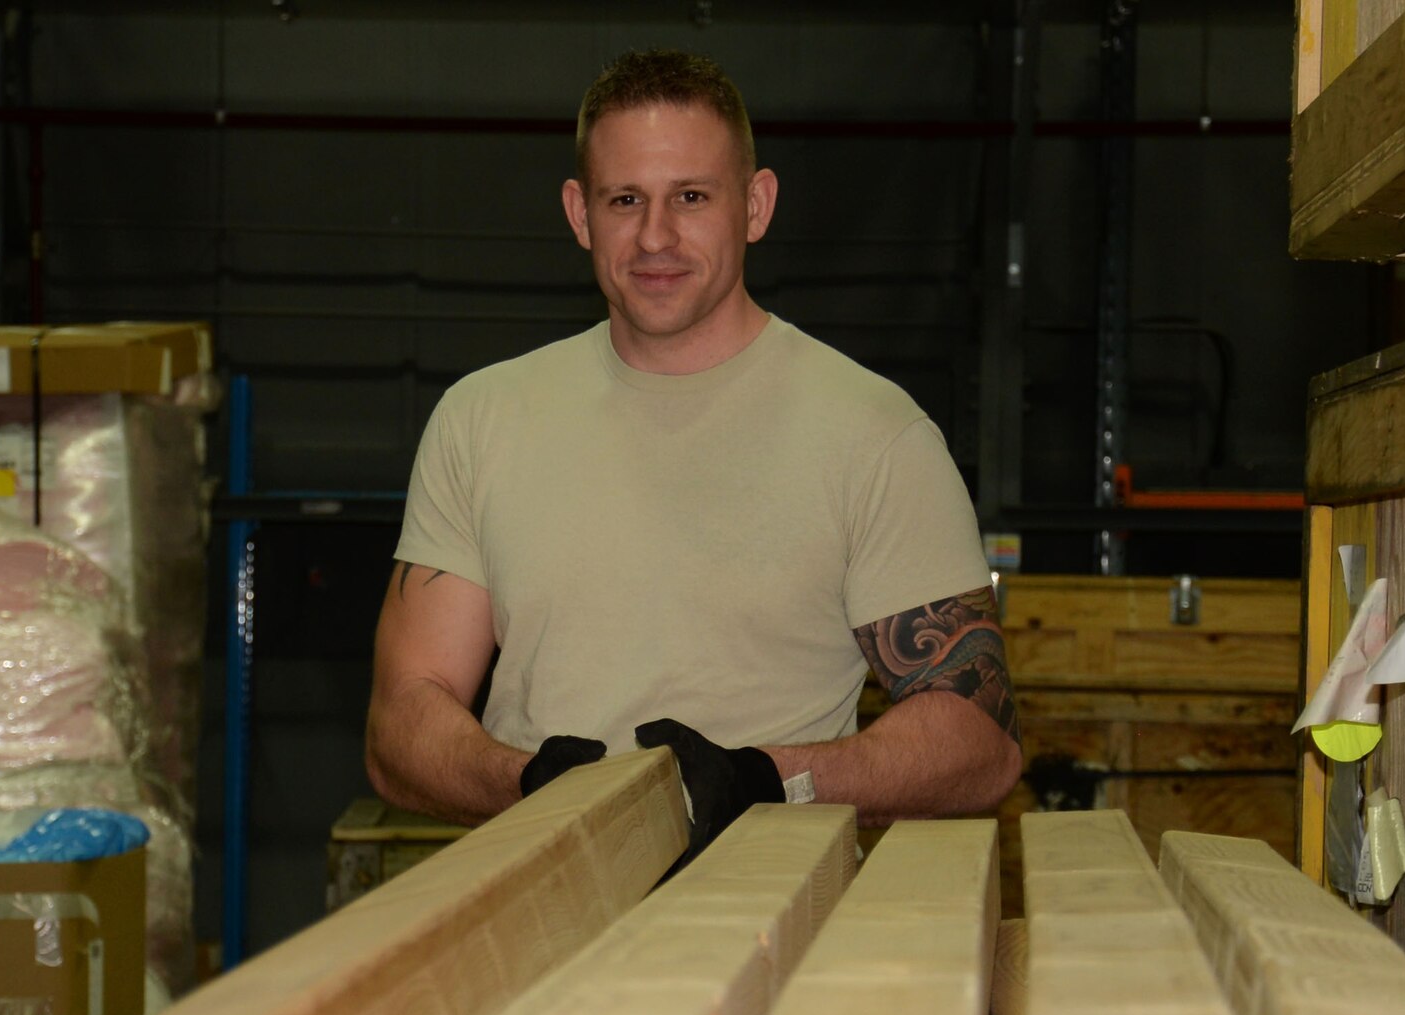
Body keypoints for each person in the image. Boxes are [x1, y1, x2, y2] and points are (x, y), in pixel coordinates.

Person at [366, 48, 1020, 858]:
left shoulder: (875, 436)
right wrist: (527, 786)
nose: (655, 236)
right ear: (579, 213)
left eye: (692, 197)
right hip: (532, 917)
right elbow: (402, 722)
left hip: (772, 924)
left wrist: (769, 782)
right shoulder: (481, 419)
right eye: (626, 198)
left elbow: (978, 744)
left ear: (756, 205)